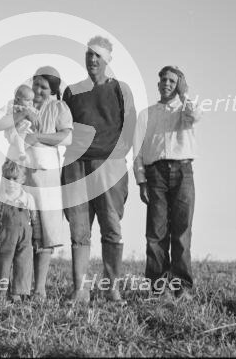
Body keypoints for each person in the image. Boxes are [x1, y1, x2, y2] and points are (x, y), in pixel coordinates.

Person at [62, 36, 136, 303]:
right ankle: (79, 289)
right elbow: (63, 130)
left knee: (112, 227)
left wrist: (116, 159)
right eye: (89, 54)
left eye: (98, 56)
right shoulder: (71, 92)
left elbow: (130, 128)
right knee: (79, 231)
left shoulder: (120, 89)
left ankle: (110, 287)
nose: (92, 59)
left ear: (108, 60)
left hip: (109, 167)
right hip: (76, 168)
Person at [0, 66, 72, 300]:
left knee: (43, 229)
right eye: (36, 84)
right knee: (13, 225)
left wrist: (38, 137)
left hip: (44, 172)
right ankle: (11, 288)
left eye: (44, 87)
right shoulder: (16, 103)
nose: (38, 90)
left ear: (53, 90)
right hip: (16, 171)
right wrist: (23, 114)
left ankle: (39, 288)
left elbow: (67, 137)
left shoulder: (58, 107)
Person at [132, 66, 202, 297]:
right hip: (155, 175)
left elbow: (196, 116)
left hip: (183, 171)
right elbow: (138, 151)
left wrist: (185, 94)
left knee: (182, 231)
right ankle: (158, 288)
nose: (167, 84)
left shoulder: (186, 109)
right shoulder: (146, 114)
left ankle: (182, 288)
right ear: (158, 83)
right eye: (163, 79)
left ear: (179, 84)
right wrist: (142, 181)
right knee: (156, 233)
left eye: (172, 81)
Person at [0, 160, 42, 302]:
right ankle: (0, 292)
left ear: (22, 179)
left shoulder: (28, 199)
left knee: (23, 263)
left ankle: (18, 292)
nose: (11, 182)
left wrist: (37, 238)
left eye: (14, 178)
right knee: (2, 264)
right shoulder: (1, 199)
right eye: (7, 178)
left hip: (25, 239)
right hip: (5, 237)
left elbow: (35, 219)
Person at [0, 84, 39, 164]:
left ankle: (37, 159)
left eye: (32, 100)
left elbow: (36, 116)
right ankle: (21, 153)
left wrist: (34, 115)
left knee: (35, 141)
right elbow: (0, 113)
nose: (30, 103)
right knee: (18, 138)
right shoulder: (10, 106)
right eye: (27, 100)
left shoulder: (29, 107)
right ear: (18, 99)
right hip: (14, 131)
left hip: (25, 130)